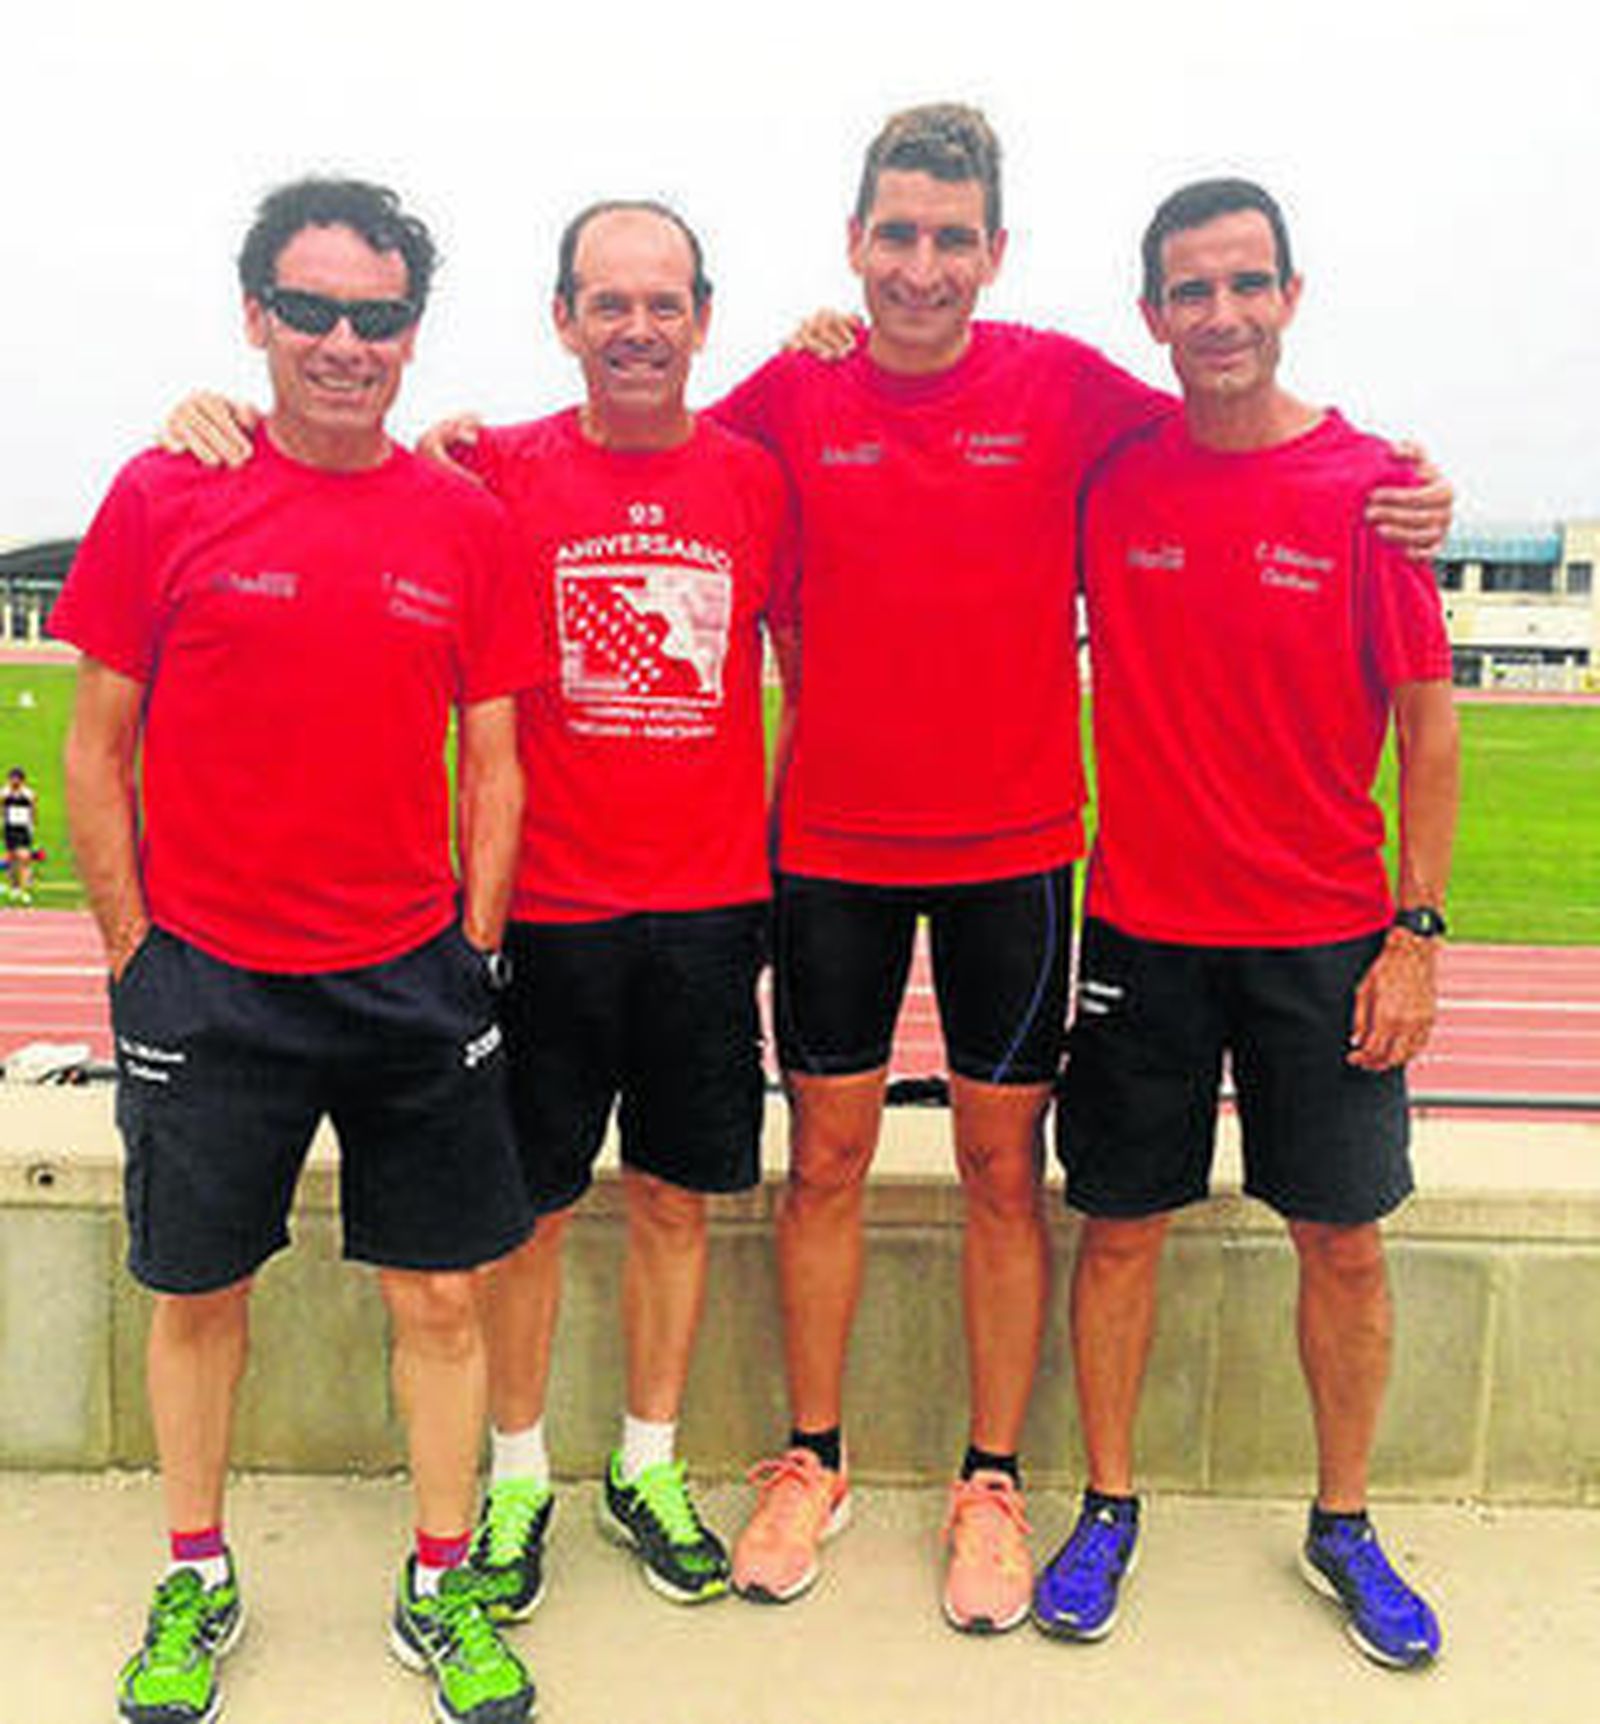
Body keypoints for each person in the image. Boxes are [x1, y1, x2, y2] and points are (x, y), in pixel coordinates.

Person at [713, 105, 1452, 1634]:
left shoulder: (1067, 389)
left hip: (1023, 857)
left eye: (952, 238)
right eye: (896, 237)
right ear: (856, 245)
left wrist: (1412, 488)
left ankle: (995, 1483)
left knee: (1005, 1174)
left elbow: (1243, 414)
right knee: (827, 1166)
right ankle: (815, 1457)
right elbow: (637, 456)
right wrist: (463, 449)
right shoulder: (791, 388)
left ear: (996, 250)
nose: (922, 268)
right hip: (832, 850)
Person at [159, 200, 791, 1617]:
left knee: (681, 1203)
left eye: (664, 303)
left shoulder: (758, 477)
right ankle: (515, 1483)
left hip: (705, 911)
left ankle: (647, 1463)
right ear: (562, 318)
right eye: (606, 303)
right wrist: (205, 411)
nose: (637, 328)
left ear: (703, 315)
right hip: (549, 912)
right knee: (532, 1217)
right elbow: (350, 454)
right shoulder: (491, 466)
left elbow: (799, 660)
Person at [53, 177, 538, 1724]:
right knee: (198, 1296)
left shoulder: (465, 521)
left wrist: (473, 946)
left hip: (410, 978)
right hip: (211, 984)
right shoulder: (162, 492)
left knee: (444, 1304)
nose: (345, 341)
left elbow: (496, 757)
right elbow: (96, 749)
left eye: (377, 315)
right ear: (257, 316)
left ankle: (439, 1578)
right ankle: (196, 1570)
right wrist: (137, 956)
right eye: (313, 310)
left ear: (411, 332)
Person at [1031, 178, 1458, 1671]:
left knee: (1343, 1243)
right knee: (1120, 1228)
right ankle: (1107, 1506)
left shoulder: (1368, 492)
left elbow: (1426, 718)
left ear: (1289, 296)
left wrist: (1417, 931)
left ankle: (1345, 1524)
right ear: (1152, 314)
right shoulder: (1115, 478)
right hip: (1143, 933)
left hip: (1323, 941)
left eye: (1246, 285)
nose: (1219, 315)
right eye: (1189, 291)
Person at [3, 766, 38, 902]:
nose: (14, 782)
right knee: (10, 859)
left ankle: (24, 890)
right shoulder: (5, 793)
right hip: (10, 829)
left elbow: (33, 810)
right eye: (12, 779)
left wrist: (32, 825)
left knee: (24, 858)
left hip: (23, 829)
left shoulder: (28, 794)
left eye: (17, 779)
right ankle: (14, 887)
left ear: (22, 780)